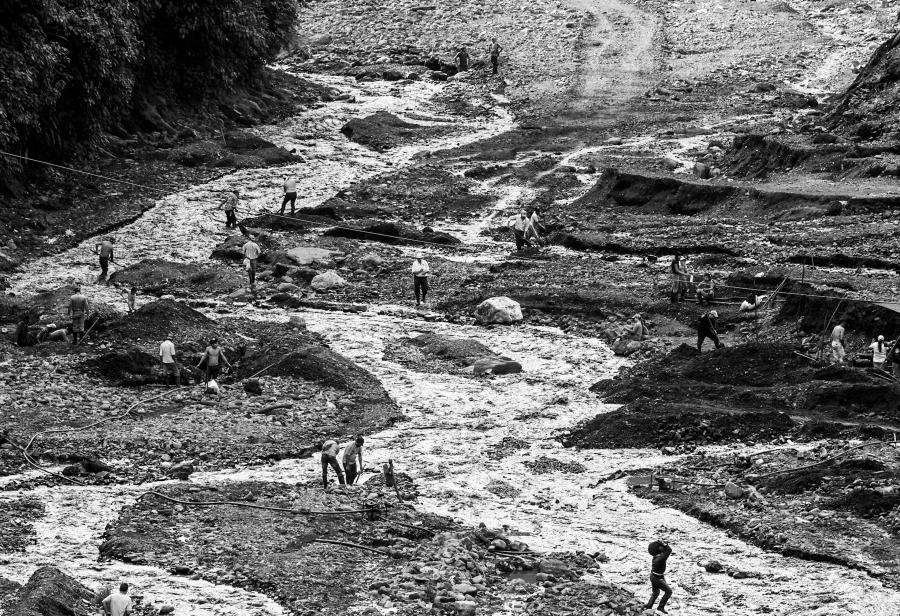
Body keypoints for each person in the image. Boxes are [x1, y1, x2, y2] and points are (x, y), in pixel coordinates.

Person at [644, 540, 673, 613]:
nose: (662, 547)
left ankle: (649, 606)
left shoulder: (656, 556)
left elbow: (665, 550)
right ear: (659, 549)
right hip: (657, 578)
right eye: (660, 547)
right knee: (669, 591)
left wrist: (662, 544)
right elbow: (669, 550)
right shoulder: (660, 559)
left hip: (654, 575)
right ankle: (660, 607)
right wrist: (662, 543)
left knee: (656, 592)